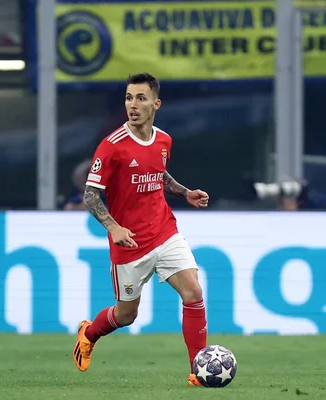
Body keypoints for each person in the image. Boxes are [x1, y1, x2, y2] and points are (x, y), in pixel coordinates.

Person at [73, 72, 210, 387]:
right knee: (126, 316)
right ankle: (89, 333)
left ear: (156, 104)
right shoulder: (112, 146)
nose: (132, 105)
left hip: (163, 230)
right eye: (128, 98)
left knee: (193, 292)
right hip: (129, 244)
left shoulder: (164, 140)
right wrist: (113, 226)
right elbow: (90, 195)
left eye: (140, 98)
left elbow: (158, 173)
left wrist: (184, 192)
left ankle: (198, 372)